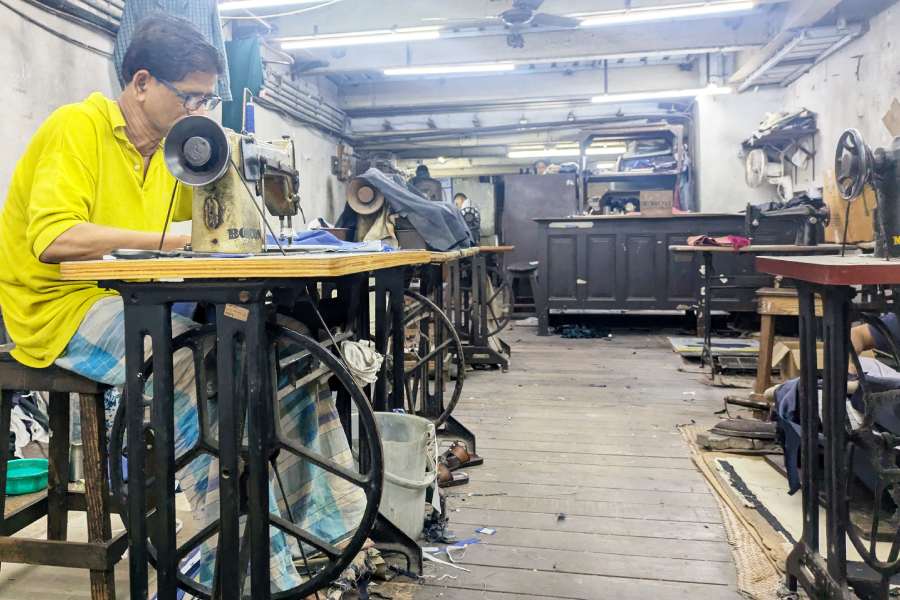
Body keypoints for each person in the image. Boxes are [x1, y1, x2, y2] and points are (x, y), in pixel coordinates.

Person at [0, 14, 361, 591]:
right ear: (141, 83)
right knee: (187, 358)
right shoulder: (78, 128)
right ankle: (234, 574)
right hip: (59, 307)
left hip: (130, 297)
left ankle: (317, 537)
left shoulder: (175, 153)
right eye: (190, 98)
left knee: (272, 348)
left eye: (207, 100)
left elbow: (192, 246)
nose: (199, 113)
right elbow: (53, 241)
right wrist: (172, 239)